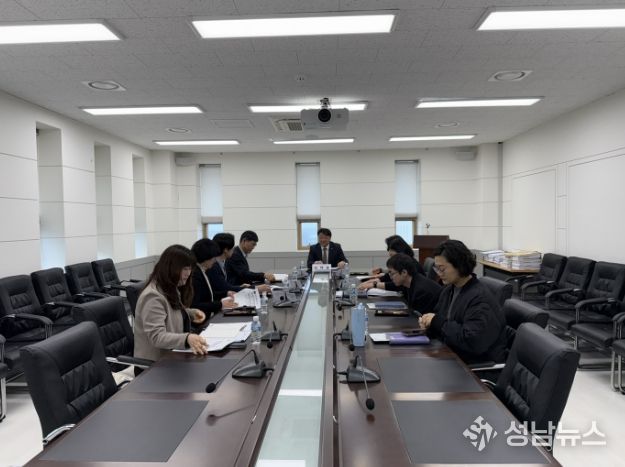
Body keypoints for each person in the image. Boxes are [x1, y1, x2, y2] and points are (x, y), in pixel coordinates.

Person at [419, 240, 506, 364]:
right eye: (436, 269)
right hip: (452, 354)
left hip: (473, 365)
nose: (439, 273)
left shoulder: (480, 299)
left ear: (459, 265)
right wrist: (429, 325)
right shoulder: (449, 290)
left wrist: (437, 322)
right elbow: (443, 323)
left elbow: (472, 341)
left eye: (442, 269)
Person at [134, 244, 209, 368]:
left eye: (190, 268)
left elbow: (170, 312)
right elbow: (157, 337)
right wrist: (187, 338)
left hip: (171, 357)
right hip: (154, 367)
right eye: (185, 269)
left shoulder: (169, 287)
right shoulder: (153, 296)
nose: (188, 273)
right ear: (171, 268)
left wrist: (190, 313)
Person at [190, 238, 238, 319]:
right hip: (201, 320)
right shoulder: (195, 275)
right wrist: (221, 304)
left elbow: (208, 294)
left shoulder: (202, 270)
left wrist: (225, 293)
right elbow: (195, 305)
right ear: (206, 257)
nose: (215, 260)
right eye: (213, 257)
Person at [359, 237, 424, 290]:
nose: (389, 253)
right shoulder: (402, 261)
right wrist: (370, 282)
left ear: (400, 250)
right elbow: (389, 276)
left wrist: (374, 284)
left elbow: (399, 285)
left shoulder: (411, 264)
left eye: (391, 250)